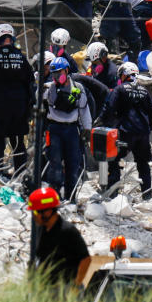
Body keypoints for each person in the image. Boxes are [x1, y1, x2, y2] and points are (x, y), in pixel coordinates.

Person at [0, 23, 36, 176]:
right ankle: (20, 173)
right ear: (12, 38)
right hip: (19, 108)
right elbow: (30, 82)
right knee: (18, 142)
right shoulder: (21, 58)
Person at [98, 62, 152, 199]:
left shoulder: (119, 89)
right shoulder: (145, 91)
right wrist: (148, 130)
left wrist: (103, 123)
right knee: (143, 164)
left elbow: (109, 109)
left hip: (125, 132)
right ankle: (147, 195)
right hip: (143, 134)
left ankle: (113, 194)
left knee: (113, 160)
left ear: (124, 75)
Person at [44, 56, 92, 200]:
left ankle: (71, 197)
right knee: (55, 165)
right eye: (54, 74)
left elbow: (84, 110)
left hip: (71, 130)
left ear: (67, 70)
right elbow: (40, 107)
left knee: (73, 165)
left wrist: (87, 129)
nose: (57, 77)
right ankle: (55, 196)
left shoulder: (78, 88)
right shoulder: (49, 89)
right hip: (54, 130)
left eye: (60, 73)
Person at [26, 187, 89, 286]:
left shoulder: (68, 231)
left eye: (35, 212)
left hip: (66, 288)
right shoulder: (41, 230)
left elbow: (85, 260)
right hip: (45, 287)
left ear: (48, 211)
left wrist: (75, 285)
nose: (33, 216)